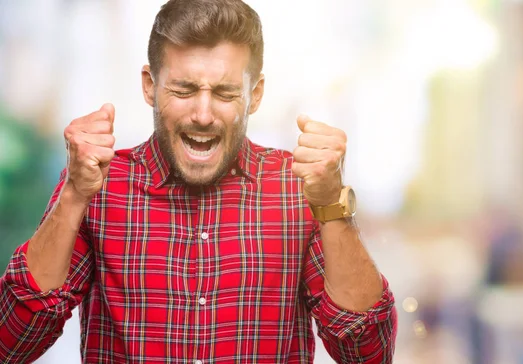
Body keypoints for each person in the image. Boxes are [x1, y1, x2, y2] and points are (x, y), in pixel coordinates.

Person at [0, 0, 397, 362]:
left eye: (225, 93)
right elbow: (13, 343)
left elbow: (366, 354)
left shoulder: (298, 190)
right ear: (150, 86)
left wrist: (331, 206)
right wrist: (73, 194)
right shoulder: (98, 186)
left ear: (254, 94)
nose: (203, 114)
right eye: (184, 89)